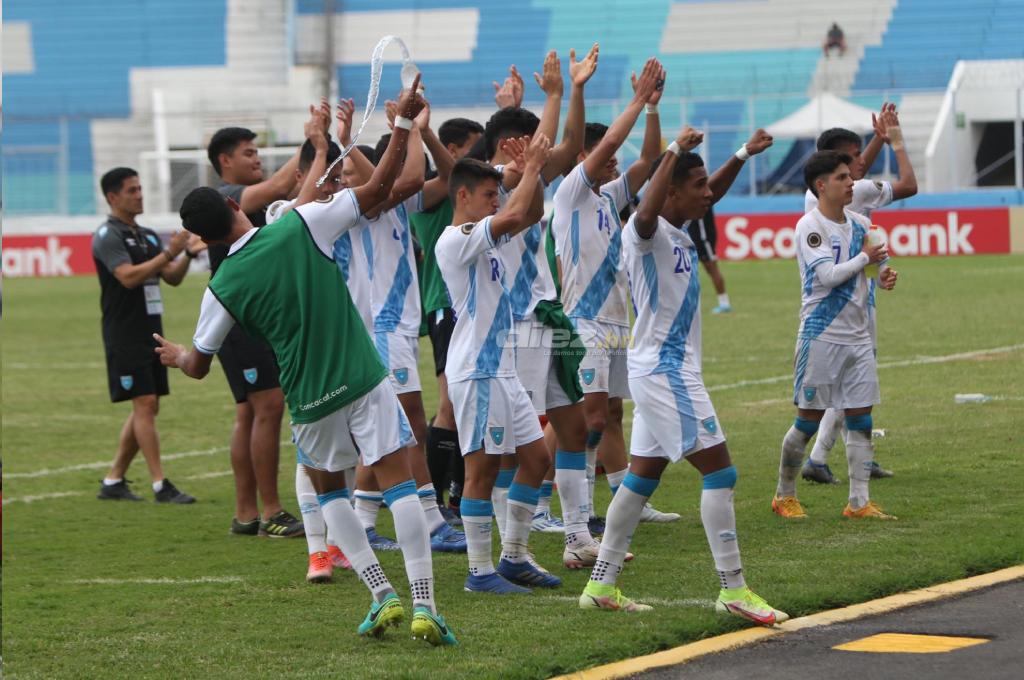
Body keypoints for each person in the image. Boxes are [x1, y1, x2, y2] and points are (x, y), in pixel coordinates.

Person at [156, 79, 457, 645]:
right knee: (398, 485)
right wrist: (399, 126)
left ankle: (380, 594)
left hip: (308, 393)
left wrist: (176, 355)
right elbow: (383, 186)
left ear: (201, 235)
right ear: (231, 205)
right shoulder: (299, 224)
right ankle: (425, 605)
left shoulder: (220, 285)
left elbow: (198, 366)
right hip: (362, 374)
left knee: (329, 491)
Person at [577, 127, 788, 625]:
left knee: (639, 479)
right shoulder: (643, 231)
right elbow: (648, 209)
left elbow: (702, 187)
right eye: (697, 186)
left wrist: (741, 154)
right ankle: (733, 589)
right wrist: (670, 150)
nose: (708, 192)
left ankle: (601, 584)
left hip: (661, 369)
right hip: (666, 371)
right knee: (721, 473)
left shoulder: (678, 224)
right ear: (670, 189)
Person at [549, 58, 679, 531]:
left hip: (616, 320)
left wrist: (652, 111)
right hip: (583, 322)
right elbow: (611, 143)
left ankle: (627, 501)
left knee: (612, 414)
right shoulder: (571, 193)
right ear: (588, 159)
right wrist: (636, 99)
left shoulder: (606, 198)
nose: (616, 162)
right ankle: (573, 516)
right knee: (587, 420)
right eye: (606, 158)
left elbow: (647, 162)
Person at [435, 136, 564, 594]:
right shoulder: (456, 239)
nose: (497, 201)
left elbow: (528, 215)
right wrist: (530, 168)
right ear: (463, 196)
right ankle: (480, 572)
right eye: (489, 194)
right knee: (482, 471)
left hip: (502, 370)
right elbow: (513, 214)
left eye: (497, 194)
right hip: (478, 371)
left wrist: (535, 173)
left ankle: (513, 557)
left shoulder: (489, 237)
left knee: (536, 458)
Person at [206, 110, 331, 538]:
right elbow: (283, 185)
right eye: (248, 152)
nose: (256, 158)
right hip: (244, 321)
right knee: (269, 406)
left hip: (243, 319)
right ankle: (273, 510)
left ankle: (246, 514)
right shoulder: (230, 194)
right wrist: (313, 141)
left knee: (250, 412)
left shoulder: (246, 198)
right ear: (225, 161)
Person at [772, 150, 899, 521]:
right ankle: (785, 494)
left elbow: (878, 266)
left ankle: (859, 501)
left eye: (850, 177)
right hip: (821, 336)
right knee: (807, 420)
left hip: (858, 335)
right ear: (821, 185)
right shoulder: (809, 227)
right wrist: (865, 260)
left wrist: (885, 275)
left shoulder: (861, 223)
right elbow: (827, 277)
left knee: (861, 417)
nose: (851, 183)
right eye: (843, 178)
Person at [800, 104, 918, 485]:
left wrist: (877, 142)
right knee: (848, 382)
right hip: (840, 304)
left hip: (856, 292)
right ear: (827, 173)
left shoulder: (841, 194)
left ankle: (851, 463)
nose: (854, 171)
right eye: (846, 163)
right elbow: (908, 184)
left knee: (857, 384)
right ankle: (817, 458)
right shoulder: (842, 196)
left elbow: (859, 172)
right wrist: (892, 141)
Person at [264, 112, 354, 582]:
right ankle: (317, 551)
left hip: (344, 345)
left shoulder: (336, 216)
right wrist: (321, 147)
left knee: (350, 448)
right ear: (301, 178)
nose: (334, 187)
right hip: (303, 350)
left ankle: (339, 543)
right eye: (326, 178)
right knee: (310, 451)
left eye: (339, 179)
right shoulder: (281, 215)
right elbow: (298, 214)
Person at [93, 167, 198, 504]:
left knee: (147, 407)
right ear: (113, 197)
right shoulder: (108, 236)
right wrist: (169, 252)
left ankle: (113, 481)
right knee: (145, 403)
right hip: (123, 331)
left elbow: (172, 277)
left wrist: (187, 253)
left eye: (140, 188)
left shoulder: (148, 235)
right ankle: (159, 484)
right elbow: (127, 276)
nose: (140, 194)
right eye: (132, 190)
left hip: (151, 330)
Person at [410, 116, 485, 524]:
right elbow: (454, 173)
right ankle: (437, 503)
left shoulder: (467, 191)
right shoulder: (435, 195)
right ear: (454, 151)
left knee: (469, 405)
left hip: (472, 307)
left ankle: (458, 496)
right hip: (446, 304)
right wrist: (423, 131)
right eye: (475, 148)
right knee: (450, 407)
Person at [686, 205, 733, 313]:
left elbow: (702, 227)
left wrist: (703, 240)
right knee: (688, 271)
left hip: (703, 240)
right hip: (695, 239)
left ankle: (724, 303)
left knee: (711, 268)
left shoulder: (701, 201)